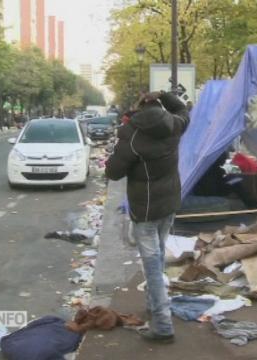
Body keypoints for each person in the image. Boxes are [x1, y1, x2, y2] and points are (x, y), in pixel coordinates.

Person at [105, 91, 190, 342]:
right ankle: (154, 306)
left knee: (152, 266)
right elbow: (183, 110)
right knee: (159, 256)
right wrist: (165, 94)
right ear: (159, 105)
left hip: (146, 210)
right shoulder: (173, 125)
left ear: (140, 107)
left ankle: (163, 326)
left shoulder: (132, 134)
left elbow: (113, 172)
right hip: (169, 204)